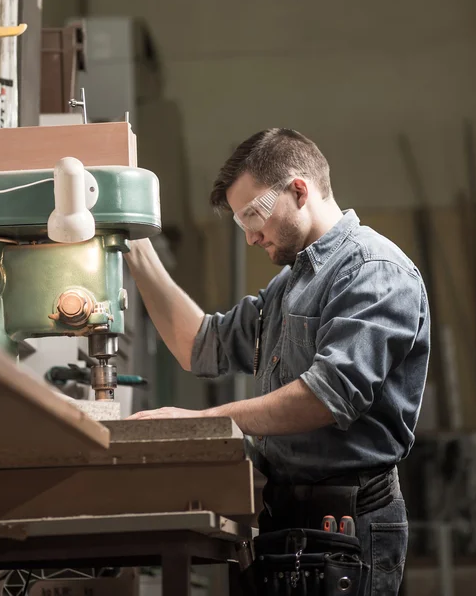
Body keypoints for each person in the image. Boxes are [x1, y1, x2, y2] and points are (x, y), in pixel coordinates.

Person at [124, 128, 430, 596]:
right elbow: (202, 345)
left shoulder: (374, 271)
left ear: (299, 191)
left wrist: (203, 422)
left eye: (253, 215)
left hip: (348, 524)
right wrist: (134, 249)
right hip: (285, 514)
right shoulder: (290, 284)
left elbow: (325, 397)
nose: (249, 237)